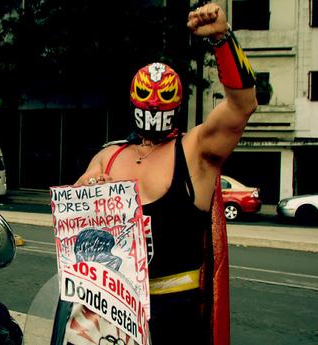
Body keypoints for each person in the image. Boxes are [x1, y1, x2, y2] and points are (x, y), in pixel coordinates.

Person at [75, 3, 257, 345]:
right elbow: (76, 238)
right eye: (147, 98)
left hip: (177, 318)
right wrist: (88, 193)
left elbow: (242, 105)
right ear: (132, 101)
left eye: (162, 99)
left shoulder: (196, 150)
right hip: (110, 315)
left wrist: (222, 39)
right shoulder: (108, 156)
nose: (154, 105)